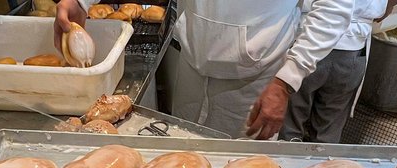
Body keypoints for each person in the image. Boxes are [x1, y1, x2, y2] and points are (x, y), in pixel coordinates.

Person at [55, 0, 353, 139]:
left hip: (256, 82)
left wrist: (287, 80)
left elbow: (335, 7)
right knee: (183, 156)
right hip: (193, 65)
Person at [279, 0, 397, 143]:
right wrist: (390, 4)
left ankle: (284, 163)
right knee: (327, 134)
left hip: (307, 44)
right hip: (352, 50)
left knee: (289, 130)